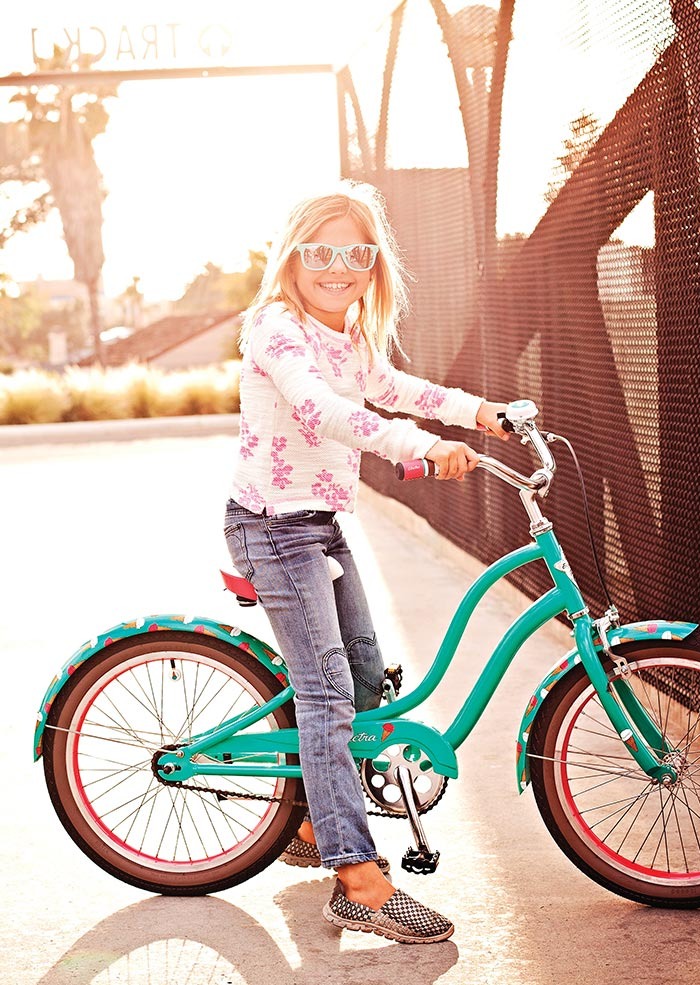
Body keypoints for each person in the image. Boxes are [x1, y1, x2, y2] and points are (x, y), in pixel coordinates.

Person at [224, 180, 509, 944]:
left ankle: (317, 824)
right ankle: (356, 877)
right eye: (321, 251)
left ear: (373, 263)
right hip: (273, 527)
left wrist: (481, 412)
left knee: (363, 674)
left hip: (320, 522)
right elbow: (320, 407)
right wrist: (418, 446)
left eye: (356, 252)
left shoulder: (351, 338)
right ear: (292, 258)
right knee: (326, 696)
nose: (338, 266)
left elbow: (399, 388)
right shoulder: (277, 330)